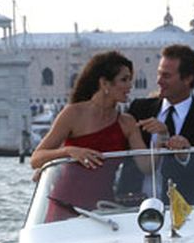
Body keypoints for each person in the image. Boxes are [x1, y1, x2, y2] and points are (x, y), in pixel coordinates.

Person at [31, 51, 148, 221]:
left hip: (104, 208)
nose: (130, 85)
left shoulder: (127, 123)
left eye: (130, 79)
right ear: (104, 83)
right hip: (65, 204)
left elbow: (146, 166)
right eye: (124, 80)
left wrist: (163, 137)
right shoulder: (73, 113)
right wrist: (70, 151)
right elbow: (36, 159)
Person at [120, 44, 194, 204]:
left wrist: (185, 154)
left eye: (166, 76)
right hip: (132, 208)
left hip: (183, 213)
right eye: (159, 74)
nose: (159, 81)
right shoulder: (139, 109)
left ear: (188, 78)